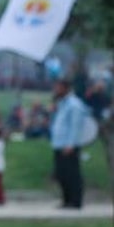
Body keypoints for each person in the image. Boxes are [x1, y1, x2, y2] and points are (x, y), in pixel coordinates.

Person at [49, 78, 89, 209]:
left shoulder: (74, 105)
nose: (56, 90)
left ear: (66, 88)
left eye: (58, 88)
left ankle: (75, 200)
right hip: (59, 143)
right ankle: (66, 200)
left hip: (69, 145)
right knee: (62, 174)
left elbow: (75, 126)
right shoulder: (61, 104)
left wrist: (70, 144)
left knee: (72, 174)